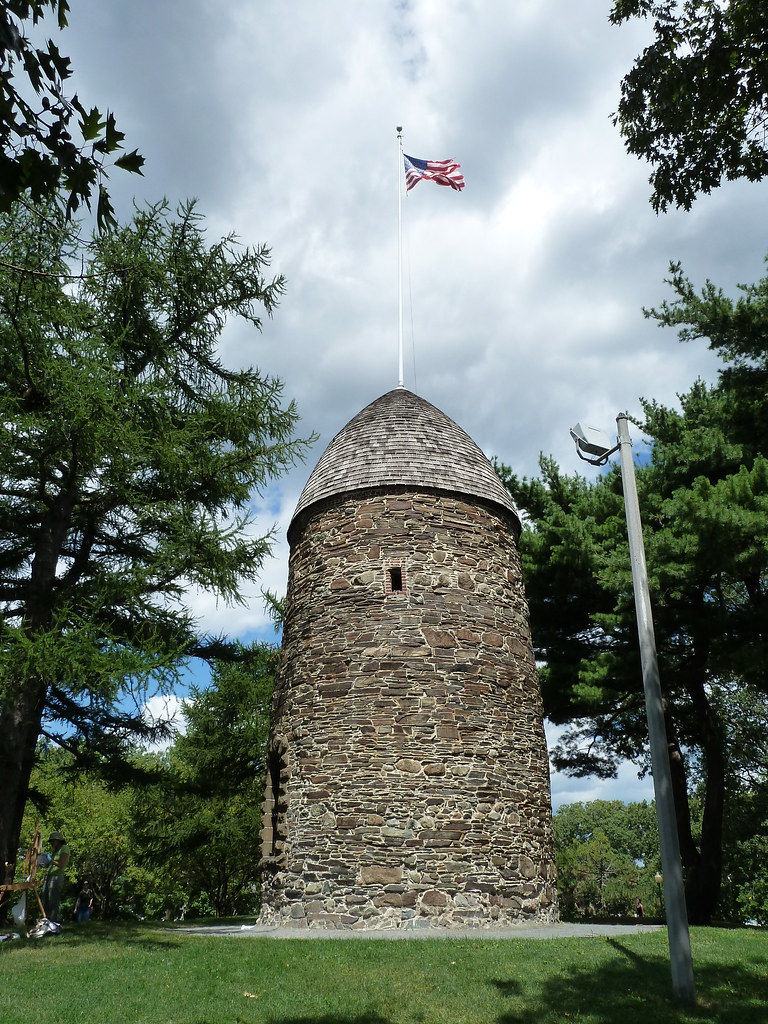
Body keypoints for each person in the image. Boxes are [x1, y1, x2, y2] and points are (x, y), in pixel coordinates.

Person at [42, 830, 70, 923]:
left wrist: (51, 860)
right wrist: (44, 863)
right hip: (49, 876)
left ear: (58, 840)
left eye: (53, 841)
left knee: (53, 900)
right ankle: (46, 921)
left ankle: (54, 922)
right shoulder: (55, 851)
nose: (51, 843)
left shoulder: (64, 848)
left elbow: (61, 864)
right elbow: (51, 864)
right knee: (45, 900)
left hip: (57, 877)